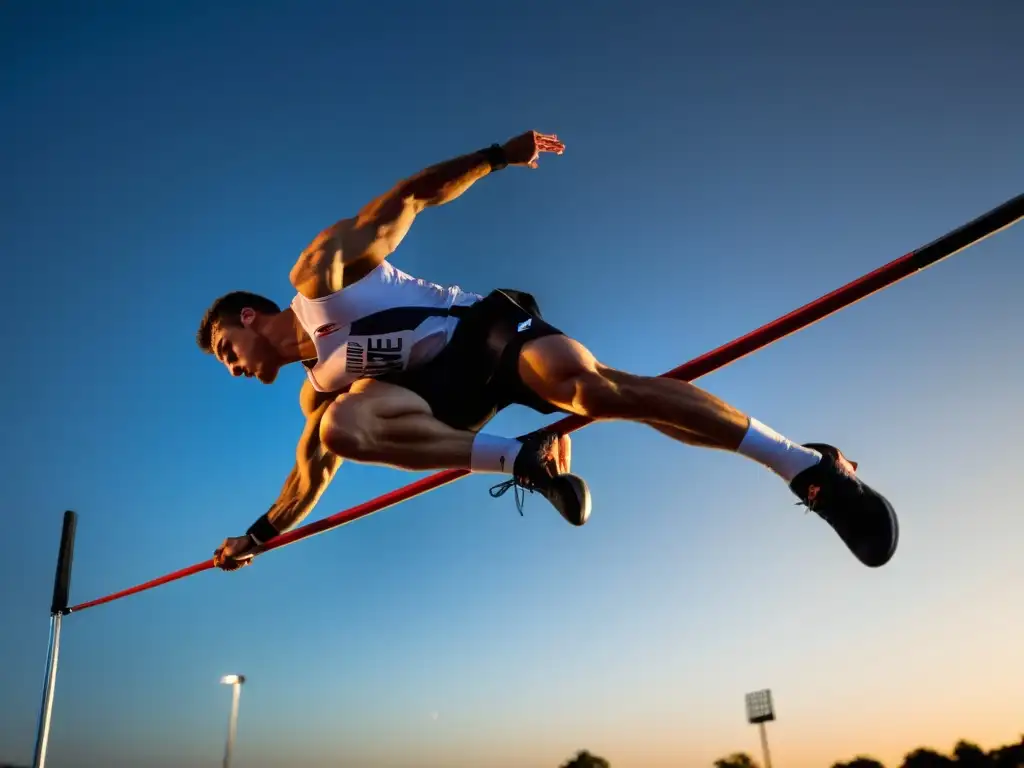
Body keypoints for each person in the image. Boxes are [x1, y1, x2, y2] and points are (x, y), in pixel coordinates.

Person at [200, 130, 898, 572]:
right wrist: (253, 539)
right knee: (342, 426)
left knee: (592, 393)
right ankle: (520, 459)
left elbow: (406, 201)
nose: (232, 367)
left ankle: (806, 466)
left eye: (227, 349)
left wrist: (498, 157)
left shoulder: (318, 279)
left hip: (482, 333)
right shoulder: (315, 387)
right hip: (447, 400)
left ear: (250, 315)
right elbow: (306, 484)